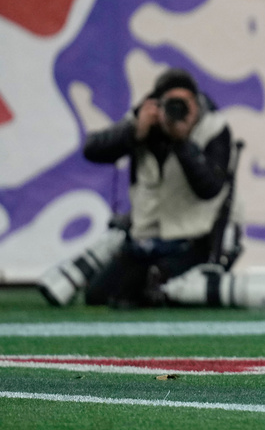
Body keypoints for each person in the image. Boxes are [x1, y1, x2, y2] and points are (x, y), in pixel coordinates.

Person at [68, 68, 240, 307]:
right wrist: (134, 131)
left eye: (185, 104)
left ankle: (151, 289)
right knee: (98, 295)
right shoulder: (144, 120)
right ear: (157, 104)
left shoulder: (214, 127)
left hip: (194, 239)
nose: (178, 111)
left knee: (163, 287)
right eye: (171, 104)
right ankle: (144, 289)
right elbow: (93, 150)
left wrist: (182, 143)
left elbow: (210, 188)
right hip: (146, 240)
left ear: (197, 102)